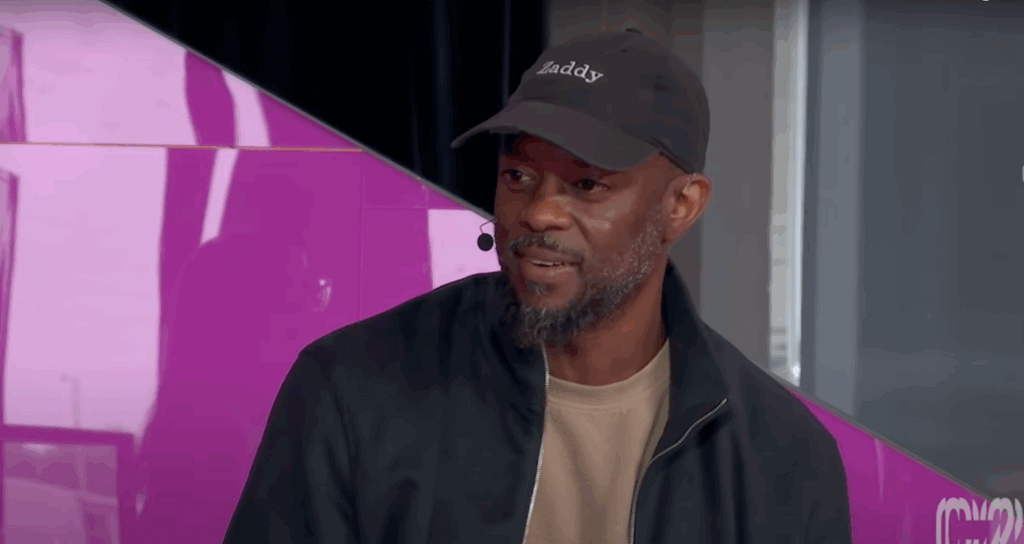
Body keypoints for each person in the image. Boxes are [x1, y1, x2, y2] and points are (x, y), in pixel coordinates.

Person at [223, 29, 853, 544]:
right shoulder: (353, 388)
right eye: (519, 174)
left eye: (587, 185)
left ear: (681, 205)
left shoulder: (782, 456)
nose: (540, 213)